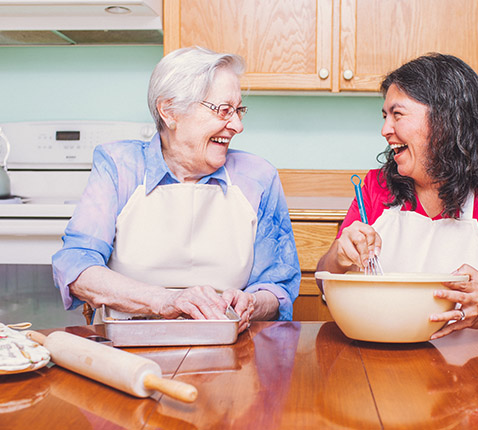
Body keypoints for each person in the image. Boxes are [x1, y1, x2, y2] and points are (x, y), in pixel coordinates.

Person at [316, 53, 478, 339]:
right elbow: (325, 280)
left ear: (445, 120)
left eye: (397, 115)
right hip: (386, 372)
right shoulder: (377, 188)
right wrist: (338, 257)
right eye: (385, 116)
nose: (385, 130)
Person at [52, 46, 300, 332]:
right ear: (169, 112)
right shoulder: (119, 167)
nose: (237, 125)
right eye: (223, 110)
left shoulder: (258, 177)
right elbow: (75, 266)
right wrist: (166, 301)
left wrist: (253, 303)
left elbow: (278, 285)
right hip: (125, 351)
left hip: (229, 350)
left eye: (238, 110)